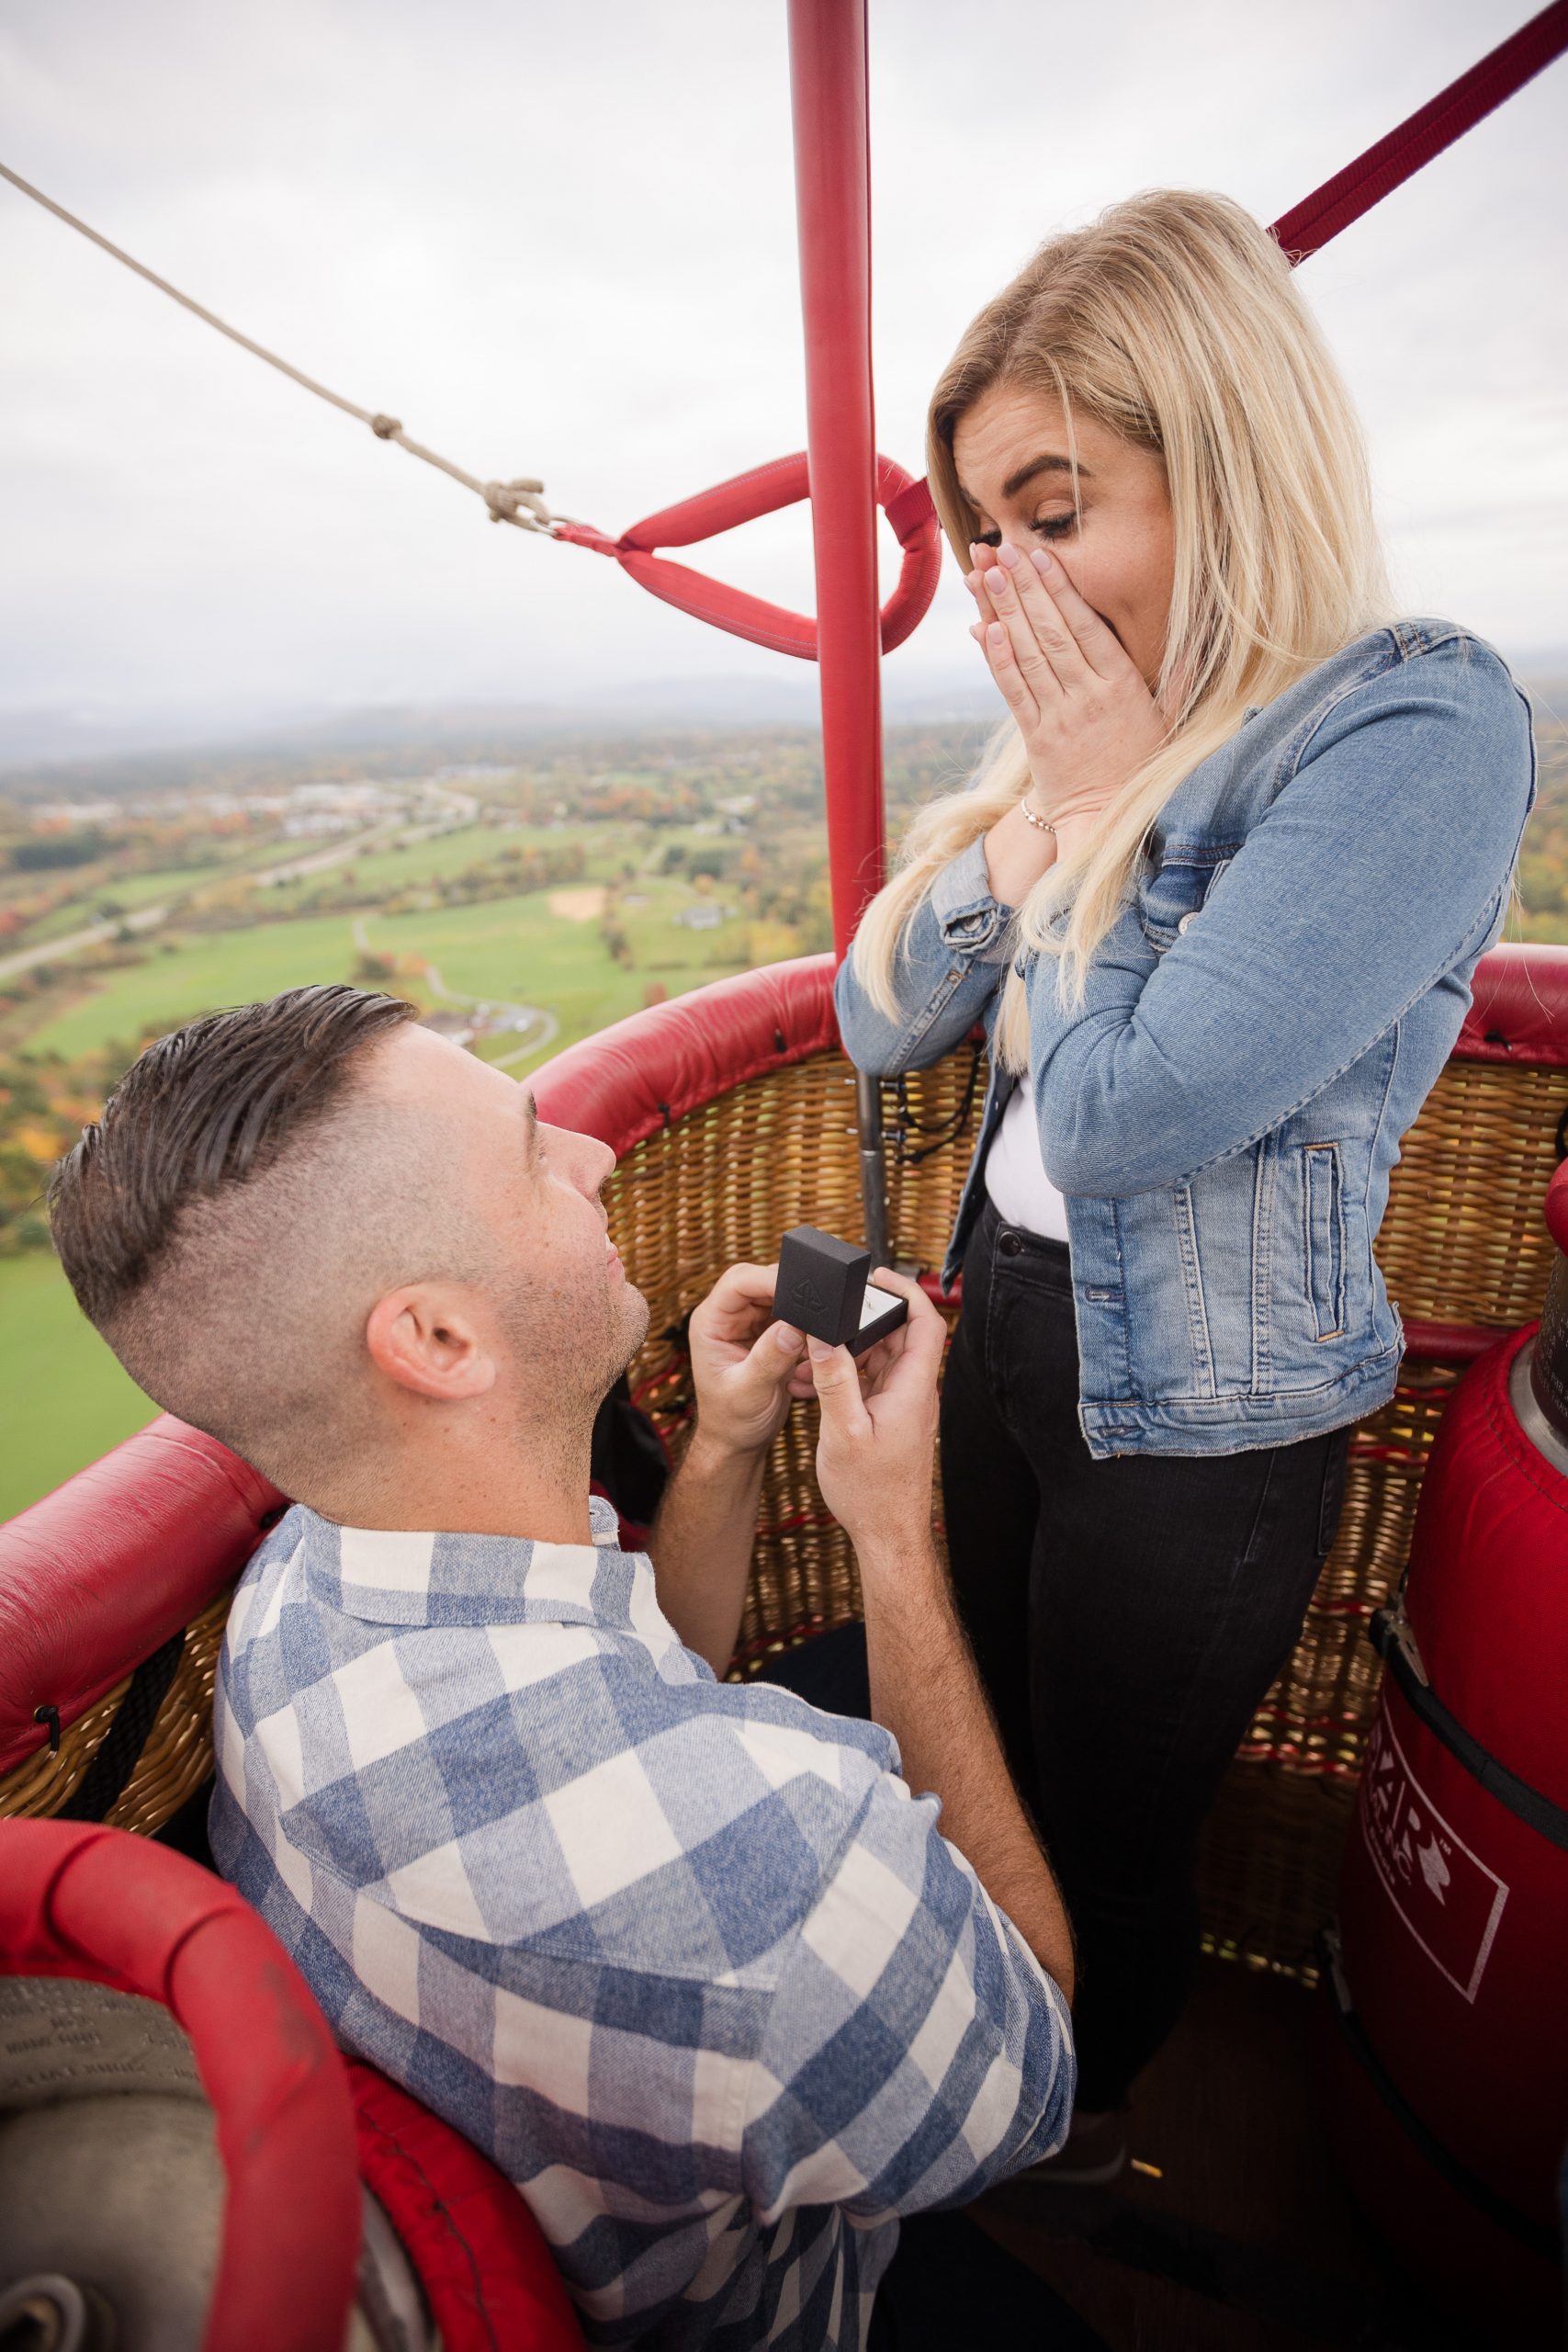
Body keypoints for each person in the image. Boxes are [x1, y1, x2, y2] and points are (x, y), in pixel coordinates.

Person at [48, 983, 1107, 2352]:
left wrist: (722, 1447)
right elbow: (1029, 2068)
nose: (598, 1157)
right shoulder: (781, 1874)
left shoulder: (300, 1587)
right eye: (537, 1148)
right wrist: (896, 1541)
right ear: (434, 1340)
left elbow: (633, 1677)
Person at [834, 188, 1537, 2177]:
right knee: (955, 1746)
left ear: (1218, 459)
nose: (1011, 581)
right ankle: (953, 2073)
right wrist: (1042, 823)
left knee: (1102, 1811)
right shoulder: (1085, 739)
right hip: (1004, 1321)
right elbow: (879, 1017)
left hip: (1207, 1416)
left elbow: (1137, 1107)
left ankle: (1062, 2133)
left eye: (1056, 510)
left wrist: (1087, 810)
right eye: (987, 534)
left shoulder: (1400, 719)